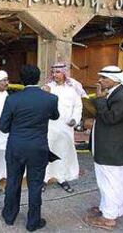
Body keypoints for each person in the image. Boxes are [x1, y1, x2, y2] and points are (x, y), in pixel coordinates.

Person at [0, 65, 59, 232]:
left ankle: (9, 216)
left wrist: (17, 128)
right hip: (38, 148)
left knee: (13, 181)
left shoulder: (12, 99)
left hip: (16, 146)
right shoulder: (50, 98)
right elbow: (55, 116)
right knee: (35, 185)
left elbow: (3, 127)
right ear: (38, 78)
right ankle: (33, 222)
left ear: (21, 80)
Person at [84, 65, 123, 230]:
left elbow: (110, 118)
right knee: (108, 180)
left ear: (115, 79)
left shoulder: (122, 96)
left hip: (113, 149)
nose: (100, 80)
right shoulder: (117, 93)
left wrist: (100, 99)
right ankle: (107, 209)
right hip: (110, 148)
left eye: (104, 78)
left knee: (111, 182)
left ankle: (108, 218)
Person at [42, 63, 84, 193]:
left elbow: (78, 106)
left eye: (58, 72)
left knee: (63, 152)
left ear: (64, 73)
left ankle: (61, 177)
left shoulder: (72, 89)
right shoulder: (47, 88)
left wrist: (75, 120)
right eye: (53, 72)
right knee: (47, 152)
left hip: (66, 127)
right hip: (49, 126)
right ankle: (44, 178)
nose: (55, 75)